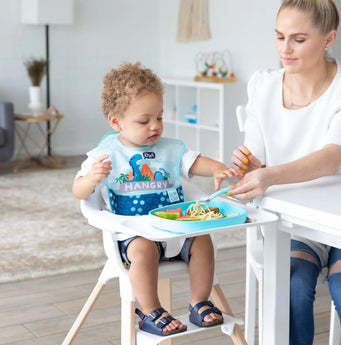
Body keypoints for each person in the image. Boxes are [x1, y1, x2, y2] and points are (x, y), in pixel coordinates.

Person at [72, 62, 234, 336]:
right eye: (144, 121)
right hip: (134, 236)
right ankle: (150, 310)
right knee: (144, 251)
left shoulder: (168, 149)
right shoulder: (106, 154)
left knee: (204, 241)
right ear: (116, 121)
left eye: (159, 117)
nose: (155, 126)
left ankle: (199, 301)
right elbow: (78, 191)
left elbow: (194, 163)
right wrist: (91, 179)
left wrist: (218, 167)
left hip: (177, 230)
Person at [229, 1, 341, 344]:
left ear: (328, 39)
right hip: (293, 221)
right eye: (279, 37)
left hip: (340, 220)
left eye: (298, 39)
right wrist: (249, 166)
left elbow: (331, 158)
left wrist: (271, 175)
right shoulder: (263, 85)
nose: (285, 49)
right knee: (293, 285)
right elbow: (257, 155)